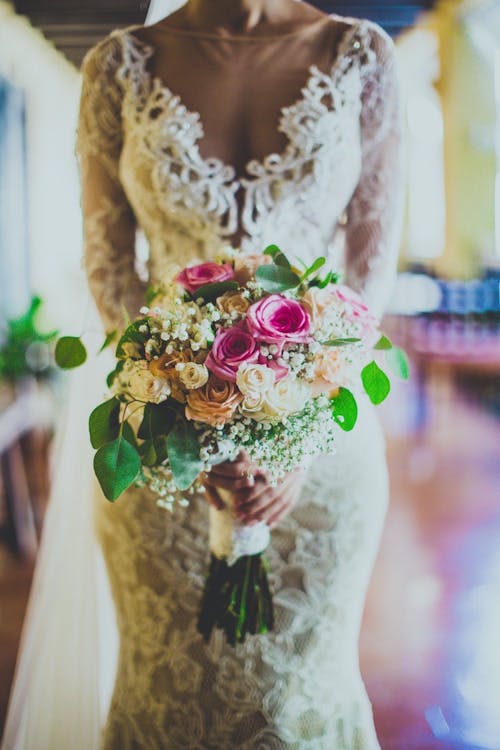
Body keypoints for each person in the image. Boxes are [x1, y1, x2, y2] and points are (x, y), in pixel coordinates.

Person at [3, 0, 404, 747]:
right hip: (162, 451)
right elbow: (108, 267)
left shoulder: (362, 55)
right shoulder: (119, 65)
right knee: (168, 699)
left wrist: (294, 439)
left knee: (295, 704)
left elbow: (369, 271)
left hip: (320, 454)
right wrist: (183, 422)